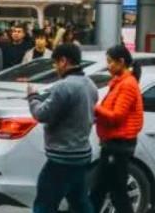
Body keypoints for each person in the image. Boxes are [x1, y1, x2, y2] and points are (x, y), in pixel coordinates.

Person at [27, 43, 98, 213]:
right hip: (81, 154)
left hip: (62, 158)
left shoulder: (64, 86)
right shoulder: (90, 85)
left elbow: (41, 114)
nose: (55, 67)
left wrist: (33, 97)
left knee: (44, 205)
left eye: (55, 63)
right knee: (80, 201)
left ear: (63, 61)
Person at [90, 45, 143, 213]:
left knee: (114, 190)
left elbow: (117, 116)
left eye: (110, 62)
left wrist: (95, 108)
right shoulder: (120, 83)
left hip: (118, 144)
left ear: (121, 62)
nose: (108, 66)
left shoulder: (127, 84)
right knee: (104, 189)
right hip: (114, 143)